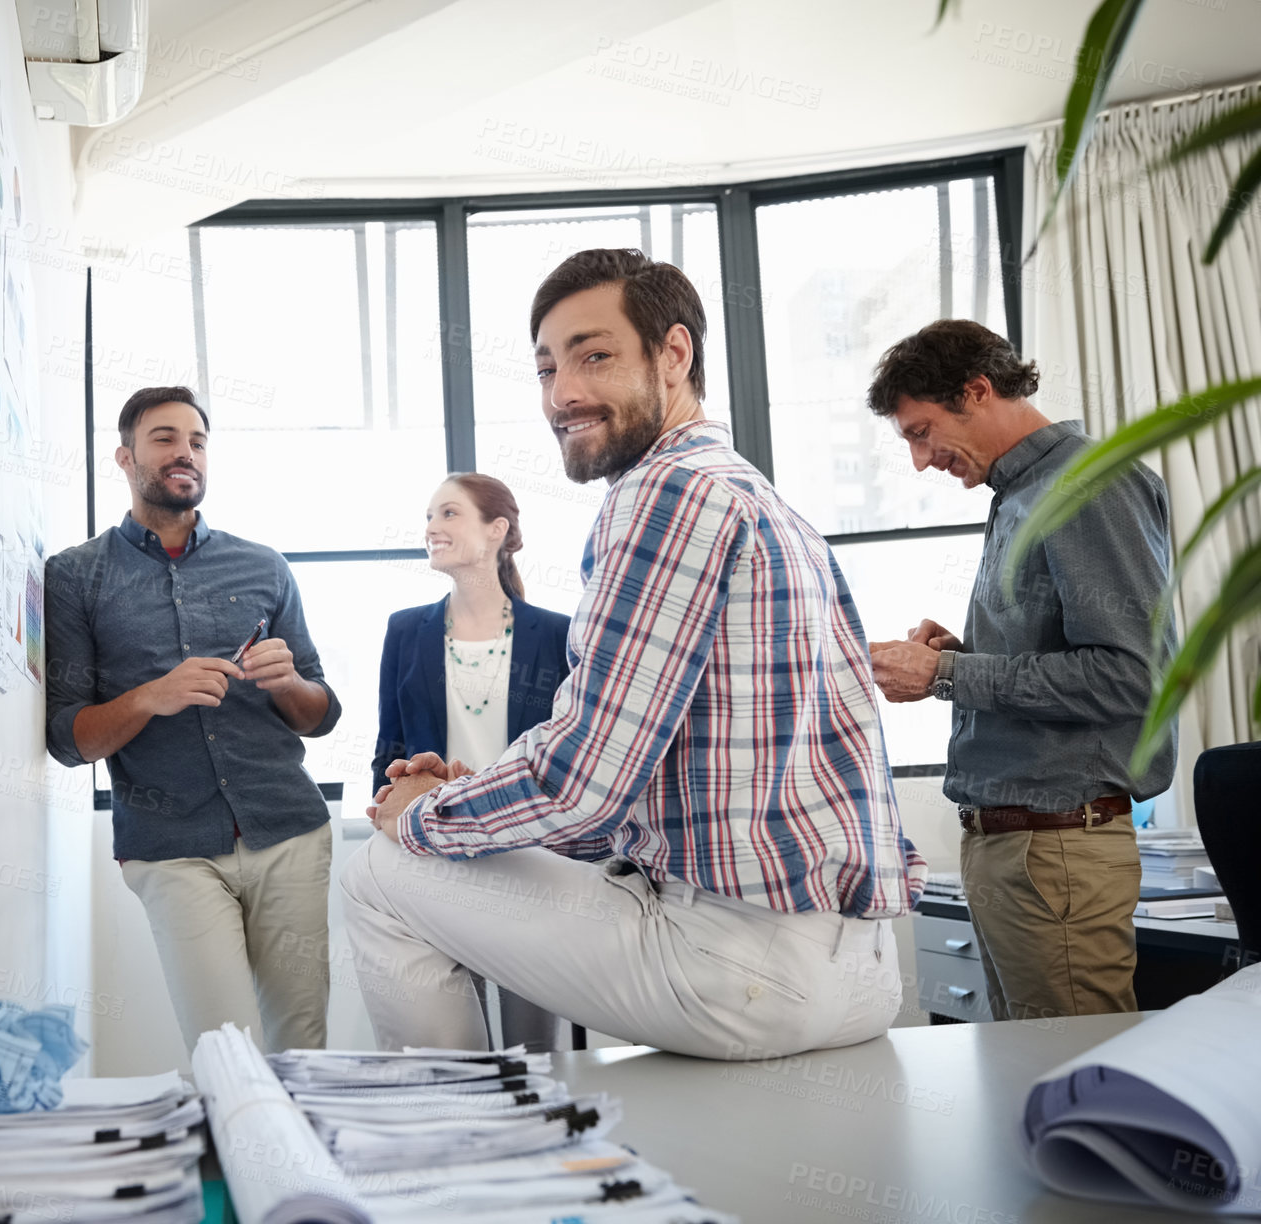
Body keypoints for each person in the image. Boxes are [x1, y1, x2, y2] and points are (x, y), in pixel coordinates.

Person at [341, 249, 924, 1061]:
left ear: (674, 355)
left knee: (378, 872)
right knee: (453, 847)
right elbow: (633, 782)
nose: (562, 394)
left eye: (594, 355)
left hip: (742, 968)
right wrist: (482, 800)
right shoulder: (762, 499)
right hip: (858, 970)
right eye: (547, 368)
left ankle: (461, 1145)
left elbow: (581, 784)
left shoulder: (663, 492)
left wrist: (422, 816)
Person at [864, 319, 1175, 1022]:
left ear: (976, 390)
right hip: (1019, 851)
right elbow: (1063, 659)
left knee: (1074, 1087)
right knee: (1028, 1087)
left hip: (1057, 851)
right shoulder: (1023, 493)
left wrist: (946, 678)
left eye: (921, 432)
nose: (919, 461)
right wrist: (961, 657)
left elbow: (1131, 678)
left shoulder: (1088, 485)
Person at [44, 386, 342, 1053]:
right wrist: (152, 696)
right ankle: (240, 1160)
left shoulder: (263, 566)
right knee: (224, 1050)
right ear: (125, 457)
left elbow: (320, 714)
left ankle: (304, 1162)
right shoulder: (74, 578)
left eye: (198, 441)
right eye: (165, 439)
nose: (186, 453)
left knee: (302, 1047)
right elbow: (69, 740)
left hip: (287, 830)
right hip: (170, 846)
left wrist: (290, 681)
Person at [373, 473, 573, 1051]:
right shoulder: (405, 630)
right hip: (437, 853)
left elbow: (567, 757)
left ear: (497, 530)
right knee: (449, 1042)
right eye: (429, 516)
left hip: (531, 856)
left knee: (541, 1049)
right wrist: (388, 816)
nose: (432, 527)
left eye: (449, 514)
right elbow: (389, 750)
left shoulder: (558, 636)